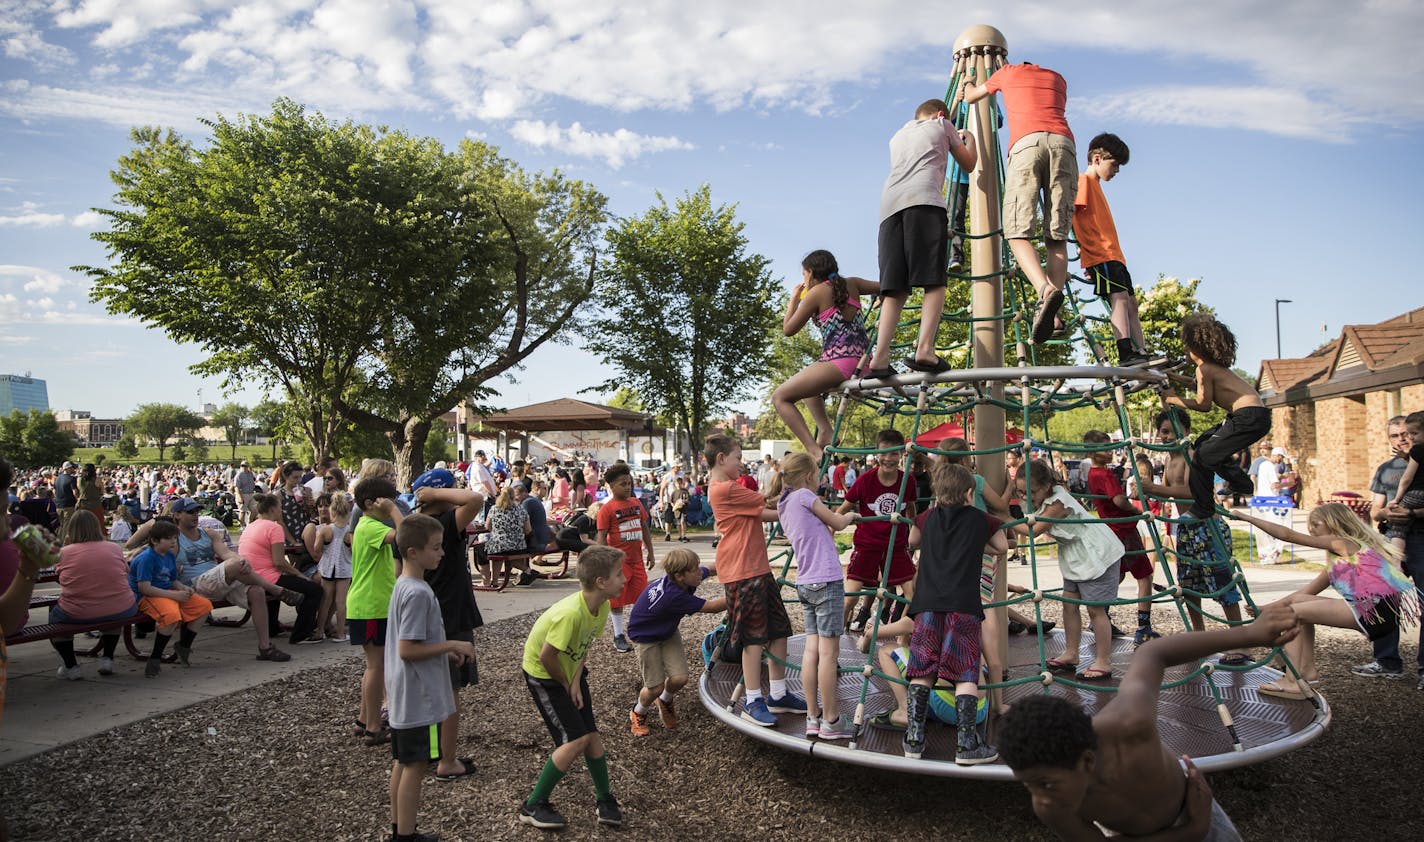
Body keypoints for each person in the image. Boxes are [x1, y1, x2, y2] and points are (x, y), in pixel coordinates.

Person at [996, 607, 1304, 841]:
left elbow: (1152, 652)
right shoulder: (1053, 807)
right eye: (1028, 785)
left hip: (1188, 804)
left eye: (1045, 784)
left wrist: (1250, 634)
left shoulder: (1129, 726)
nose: (1040, 798)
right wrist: (1191, 831)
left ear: (1087, 760)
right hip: (1184, 824)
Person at [1230, 502, 1421, 699]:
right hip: (1374, 611)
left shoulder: (1345, 543)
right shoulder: (1336, 562)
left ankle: (1292, 681)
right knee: (1302, 603)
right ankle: (1307, 672)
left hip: (1374, 611)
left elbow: (1287, 535)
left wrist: (1247, 518)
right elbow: (1303, 593)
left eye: (1316, 524)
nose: (1311, 530)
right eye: (1310, 525)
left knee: (1293, 614)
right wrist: (1266, 608)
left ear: (1334, 523)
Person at [899, 462, 1007, 763]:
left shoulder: (927, 517)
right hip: (963, 605)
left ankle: (914, 740)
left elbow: (911, 541)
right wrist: (975, 543)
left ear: (937, 492)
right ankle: (966, 745)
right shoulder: (980, 519)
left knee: (921, 670)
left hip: (928, 605)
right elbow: (1000, 547)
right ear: (969, 493)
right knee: (964, 672)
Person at [961, 62, 1075, 345]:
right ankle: (1054, 314)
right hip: (1064, 143)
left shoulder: (1008, 73)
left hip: (1027, 144)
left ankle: (1044, 291)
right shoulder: (1057, 78)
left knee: (1016, 232)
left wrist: (967, 83)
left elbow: (973, 96)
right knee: (1057, 236)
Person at [517, 545, 627, 831]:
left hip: (568, 673)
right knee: (574, 740)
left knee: (591, 735)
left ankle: (605, 799)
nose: (624, 579)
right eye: (618, 574)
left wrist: (576, 681)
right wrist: (566, 684)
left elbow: (583, 647)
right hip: (545, 674)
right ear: (601, 582)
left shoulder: (601, 606)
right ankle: (533, 804)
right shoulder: (571, 614)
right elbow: (546, 656)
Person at [866, 98, 977, 378]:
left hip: (889, 210)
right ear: (940, 114)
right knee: (933, 281)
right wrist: (969, 138)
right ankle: (925, 348)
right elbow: (968, 164)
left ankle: (879, 357)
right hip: (924, 203)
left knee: (894, 288)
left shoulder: (898, 135)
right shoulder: (943, 124)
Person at [385, 513, 477, 842]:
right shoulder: (418, 593)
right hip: (416, 695)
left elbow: (418, 643)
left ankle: (399, 828)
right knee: (415, 765)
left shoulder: (406, 585)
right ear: (412, 552)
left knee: (404, 761)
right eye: (436, 548)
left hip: (404, 690)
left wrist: (443, 652)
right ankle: (407, 835)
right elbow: (408, 649)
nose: (442, 553)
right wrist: (453, 643)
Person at [705, 434, 804, 726]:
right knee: (753, 638)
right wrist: (790, 474)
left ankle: (777, 693)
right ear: (722, 458)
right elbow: (772, 499)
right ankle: (753, 699)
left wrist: (801, 515)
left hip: (757, 568)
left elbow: (763, 513)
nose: (742, 462)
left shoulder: (733, 490)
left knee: (778, 630)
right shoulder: (723, 489)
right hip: (741, 571)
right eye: (738, 457)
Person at [1138, 409, 1250, 665]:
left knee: (1223, 583)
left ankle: (1241, 644)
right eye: (1162, 432)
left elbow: (1192, 492)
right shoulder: (1168, 459)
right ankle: (1198, 639)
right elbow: (1168, 494)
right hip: (1186, 528)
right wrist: (1144, 492)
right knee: (1188, 586)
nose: (1165, 436)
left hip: (1208, 527)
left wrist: (1154, 487)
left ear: (1186, 431)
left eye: (1170, 431)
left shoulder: (1193, 457)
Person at [1012, 458, 1122, 681]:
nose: (1026, 497)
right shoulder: (1039, 499)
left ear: (1046, 486)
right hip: (1075, 557)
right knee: (1069, 605)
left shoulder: (1058, 502)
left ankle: (1104, 660)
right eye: (1021, 492)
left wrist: (1002, 519)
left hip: (1096, 554)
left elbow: (1033, 531)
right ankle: (1071, 653)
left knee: (1095, 610)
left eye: (1030, 491)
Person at [772, 453, 858, 740]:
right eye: (818, 473)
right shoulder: (806, 496)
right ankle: (832, 720)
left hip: (806, 582)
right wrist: (851, 515)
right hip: (827, 581)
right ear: (808, 477)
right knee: (829, 655)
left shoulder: (783, 503)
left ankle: (813, 716)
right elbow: (839, 522)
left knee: (812, 652)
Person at [411, 469, 486, 781]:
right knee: (450, 691)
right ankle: (448, 761)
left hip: (425, 613)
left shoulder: (410, 528)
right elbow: (476, 499)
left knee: (430, 690)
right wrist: (435, 494)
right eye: (450, 490)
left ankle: (432, 752)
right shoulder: (442, 525)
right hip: (450, 616)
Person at [774, 249, 878, 459]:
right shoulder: (853, 283)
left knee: (780, 397)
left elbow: (788, 330)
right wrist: (880, 299)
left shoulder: (816, 293)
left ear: (811, 273)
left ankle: (813, 450)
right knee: (807, 387)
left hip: (839, 363)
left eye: (804, 275)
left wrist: (794, 299)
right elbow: (888, 285)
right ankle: (826, 431)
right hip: (864, 361)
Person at [1163, 314, 1269, 519]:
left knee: (1202, 457)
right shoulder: (1212, 369)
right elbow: (1196, 386)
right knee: (1204, 442)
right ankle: (1242, 483)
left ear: (1197, 347)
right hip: (1252, 416)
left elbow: (1204, 405)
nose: (1185, 350)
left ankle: (1203, 507)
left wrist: (1173, 399)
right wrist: (1174, 377)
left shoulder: (1203, 369)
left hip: (1247, 417)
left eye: (1187, 346)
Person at [1071, 133, 1153, 366]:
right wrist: (1083, 253)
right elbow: (1071, 216)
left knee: (1131, 303)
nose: (1116, 171)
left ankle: (1142, 351)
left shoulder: (1095, 185)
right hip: (1101, 254)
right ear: (1097, 159)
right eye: (1114, 165)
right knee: (1119, 299)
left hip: (1114, 254)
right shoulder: (1083, 182)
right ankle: (1125, 352)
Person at [625, 547, 726, 737]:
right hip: (645, 636)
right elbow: (712, 607)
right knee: (654, 687)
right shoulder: (673, 596)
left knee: (680, 678)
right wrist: (741, 594)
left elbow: (711, 568)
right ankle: (638, 712)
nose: (700, 572)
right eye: (695, 569)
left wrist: (734, 567)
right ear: (680, 575)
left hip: (667, 630)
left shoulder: (683, 579)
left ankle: (665, 700)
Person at [1354, 415, 1423, 682]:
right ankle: (1387, 661)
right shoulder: (1386, 469)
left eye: (1406, 433)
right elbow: (1375, 511)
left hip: (1421, 538)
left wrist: (1414, 513)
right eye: (1395, 435)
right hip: (1390, 539)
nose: (1402, 439)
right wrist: (1387, 513)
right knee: (1378, 597)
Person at [1082, 430, 1159, 646]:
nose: (1109, 452)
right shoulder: (1105, 475)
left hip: (1111, 530)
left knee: (1118, 575)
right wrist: (1136, 510)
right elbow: (1118, 501)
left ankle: (1100, 617)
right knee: (1145, 576)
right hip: (1124, 531)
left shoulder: (1092, 473)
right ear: (1093, 452)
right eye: (1105, 448)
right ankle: (1143, 628)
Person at [838, 429, 918, 630]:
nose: (888, 459)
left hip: (896, 546)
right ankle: (834, 640)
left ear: (902, 454)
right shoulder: (866, 480)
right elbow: (842, 509)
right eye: (883, 453)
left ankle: (902, 639)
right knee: (850, 597)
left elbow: (910, 510)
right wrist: (830, 529)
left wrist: (915, 534)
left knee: (912, 595)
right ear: (877, 453)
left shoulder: (907, 480)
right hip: (868, 544)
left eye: (894, 453)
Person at [49, 510, 138, 679]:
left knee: (55, 616)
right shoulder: (114, 548)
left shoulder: (64, 553)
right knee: (112, 611)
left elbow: (61, 578)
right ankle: (107, 658)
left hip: (79, 612)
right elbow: (124, 571)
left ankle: (71, 665)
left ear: (71, 530)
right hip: (122, 608)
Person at [349, 476, 404, 746]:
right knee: (376, 667)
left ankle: (363, 720)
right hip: (370, 606)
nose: (393, 503)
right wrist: (395, 511)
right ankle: (373, 727)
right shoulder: (370, 526)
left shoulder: (368, 526)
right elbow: (407, 537)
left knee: (375, 666)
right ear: (371, 503)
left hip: (373, 604)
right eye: (388, 499)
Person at [128, 519, 213, 678]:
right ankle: (155, 658)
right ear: (155, 541)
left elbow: (172, 579)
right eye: (169, 539)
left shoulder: (168, 556)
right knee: (171, 616)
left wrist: (183, 588)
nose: (174, 542)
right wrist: (174, 594)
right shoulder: (146, 558)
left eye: (175, 538)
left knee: (204, 606)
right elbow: (144, 588)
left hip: (167, 592)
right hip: (148, 597)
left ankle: (184, 646)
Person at [239, 493, 324, 647]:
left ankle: (272, 628)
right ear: (272, 509)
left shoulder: (251, 526)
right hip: (267, 578)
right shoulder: (274, 527)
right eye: (280, 508)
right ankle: (301, 634)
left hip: (251, 576)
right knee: (314, 590)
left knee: (283, 581)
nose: (281, 512)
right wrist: (299, 575)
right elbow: (279, 562)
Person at [595, 463, 654, 654]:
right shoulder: (606, 509)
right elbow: (601, 537)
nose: (627, 487)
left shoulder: (636, 504)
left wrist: (651, 552)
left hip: (637, 561)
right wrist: (603, 562)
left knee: (641, 596)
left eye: (629, 483)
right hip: (617, 564)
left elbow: (644, 528)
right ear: (611, 486)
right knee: (617, 600)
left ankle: (640, 629)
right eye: (622, 484)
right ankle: (618, 634)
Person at [312, 492, 355, 644]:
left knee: (326, 600)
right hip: (344, 568)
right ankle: (341, 633)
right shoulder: (350, 531)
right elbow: (354, 550)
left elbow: (316, 549)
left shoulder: (325, 530)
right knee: (341, 602)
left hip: (328, 568)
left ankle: (320, 630)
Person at [1385, 411, 1424, 555]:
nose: (1410, 438)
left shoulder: (1418, 450)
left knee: (1397, 528)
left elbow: (1407, 478)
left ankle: (1395, 560)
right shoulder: (1385, 468)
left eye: (1413, 433)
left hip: (1416, 495)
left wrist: (1397, 499)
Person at [53, 461, 78, 528]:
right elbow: (75, 492)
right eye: (72, 468)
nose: (73, 469)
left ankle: (59, 538)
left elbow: (54, 491)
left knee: (60, 526)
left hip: (59, 505)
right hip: (69, 505)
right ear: (68, 468)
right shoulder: (72, 479)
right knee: (68, 525)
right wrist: (78, 501)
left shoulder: (57, 479)